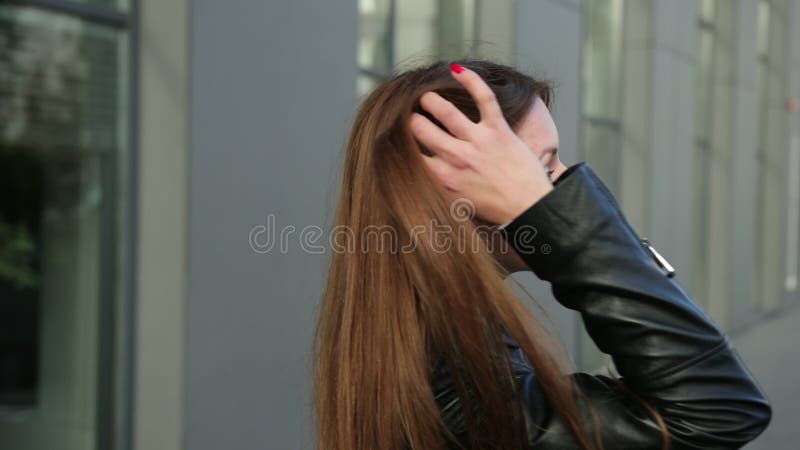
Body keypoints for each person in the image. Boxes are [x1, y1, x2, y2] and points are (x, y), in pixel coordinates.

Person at [313, 59, 771, 450]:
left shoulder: (442, 341)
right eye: (541, 167)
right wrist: (554, 219)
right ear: (459, 198)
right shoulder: (458, 396)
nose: (565, 183)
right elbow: (718, 410)